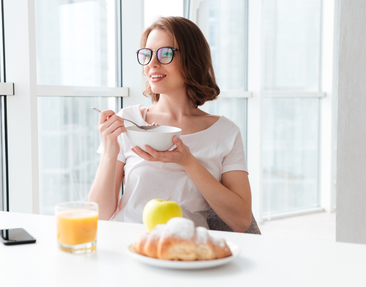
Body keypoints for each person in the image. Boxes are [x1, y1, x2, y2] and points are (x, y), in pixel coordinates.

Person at [88, 16, 252, 232]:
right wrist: (110, 151)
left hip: (185, 251)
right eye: (147, 55)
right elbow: (98, 216)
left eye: (165, 53)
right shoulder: (129, 121)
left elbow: (241, 221)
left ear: (193, 59)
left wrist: (188, 162)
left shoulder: (225, 132)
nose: (152, 64)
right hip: (127, 246)